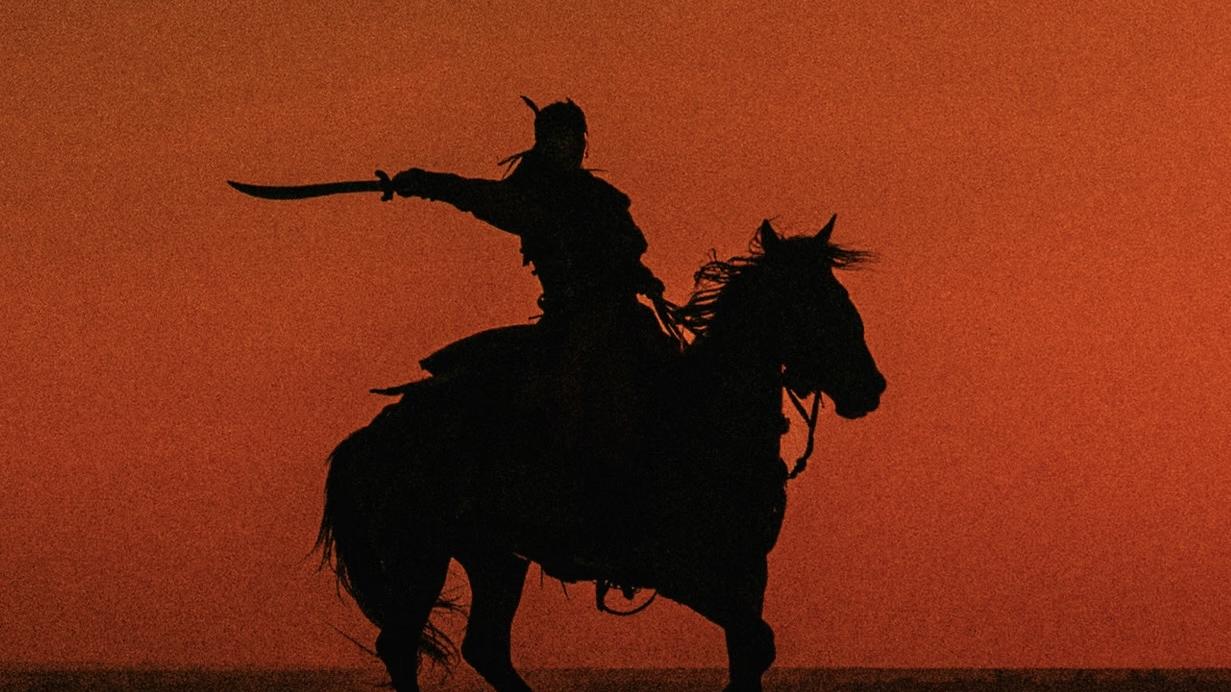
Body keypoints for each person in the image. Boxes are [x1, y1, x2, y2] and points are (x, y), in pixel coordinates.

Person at [388, 97, 676, 569]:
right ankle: (566, 500)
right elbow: (478, 195)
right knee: (567, 392)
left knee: (672, 379)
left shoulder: (603, 198)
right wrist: (427, 184)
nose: (569, 147)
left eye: (574, 139)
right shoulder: (532, 195)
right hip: (572, 322)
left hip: (624, 318)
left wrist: (638, 275)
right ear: (543, 144)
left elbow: (623, 248)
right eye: (558, 139)